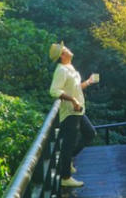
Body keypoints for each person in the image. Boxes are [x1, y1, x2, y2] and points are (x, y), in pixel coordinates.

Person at [48, 41, 98, 188]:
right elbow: (54, 91)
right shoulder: (61, 70)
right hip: (70, 112)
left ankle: (68, 160)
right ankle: (65, 177)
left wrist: (88, 82)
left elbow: (75, 88)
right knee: (68, 144)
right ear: (62, 55)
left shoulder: (69, 67)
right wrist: (72, 100)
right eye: (65, 49)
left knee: (90, 133)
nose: (69, 49)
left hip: (78, 110)